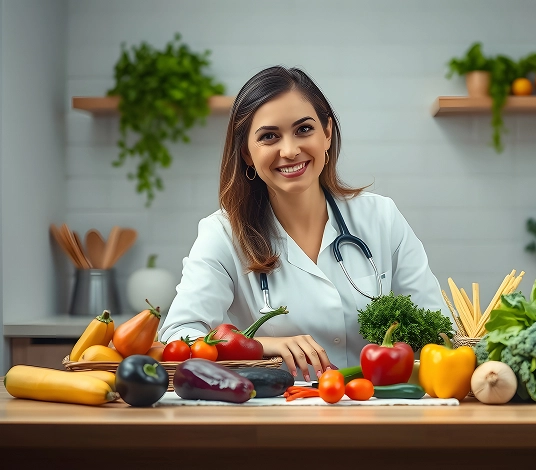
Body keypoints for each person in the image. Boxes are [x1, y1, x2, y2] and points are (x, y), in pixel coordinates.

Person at [159, 66, 446, 381]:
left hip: (374, 412)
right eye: (269, 136)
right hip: (272, 419)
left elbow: (438, 329)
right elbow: (177, 337)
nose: (290, 150)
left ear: (327, 133)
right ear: (247, 154)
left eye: (303, 130)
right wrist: (261, 344)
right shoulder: (223, 234)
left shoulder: (382, 218)